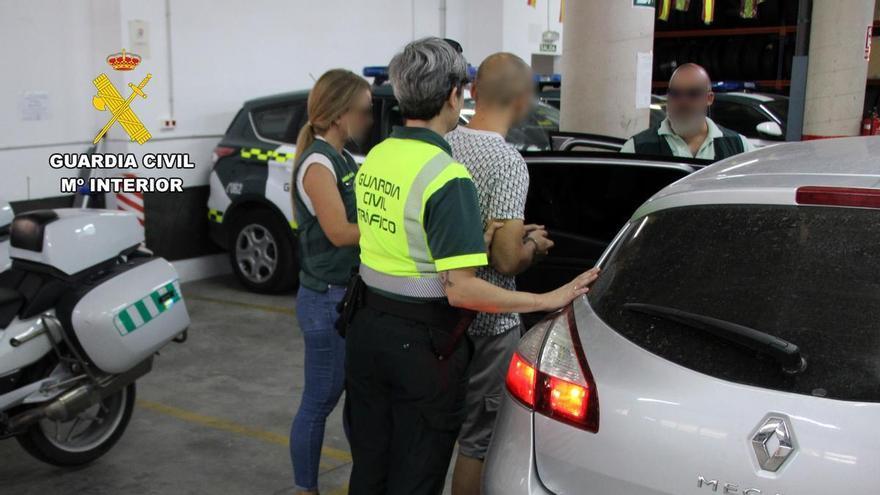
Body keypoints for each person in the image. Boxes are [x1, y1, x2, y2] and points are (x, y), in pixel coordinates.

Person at [344, 37, 600, 495]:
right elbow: (461, 291)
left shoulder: (379, 156)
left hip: (366, 330)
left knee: (371, 463)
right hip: (419, 346)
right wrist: (548, 298)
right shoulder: (446, 176)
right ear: (453, 95)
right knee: (416, 473)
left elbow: (397, 235)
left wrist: (467, 239)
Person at [445, 52, 553, 495]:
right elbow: (507, 261)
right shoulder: (507, 161)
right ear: (523, 99)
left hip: (442, 316)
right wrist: (532, 246)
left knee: (440, 430)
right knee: (478, 442)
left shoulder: (445, 145)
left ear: (472, 91)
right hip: (490, 323)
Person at [288, 69, 373, 495]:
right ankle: (307, 489)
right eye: (364, 110)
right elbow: (340, 232)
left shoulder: (342, 159)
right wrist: (391, 227)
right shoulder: (318, 164)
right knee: (320, 399)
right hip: (325, 300)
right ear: (340, 114)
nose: (369, 118)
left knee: (353, 395)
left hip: (347, 296)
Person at [622, 63, 753, 159]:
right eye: (675, 94)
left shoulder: (739, 147)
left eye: (693, 94)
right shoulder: (636, 148)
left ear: (709, 98)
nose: (683, 102)